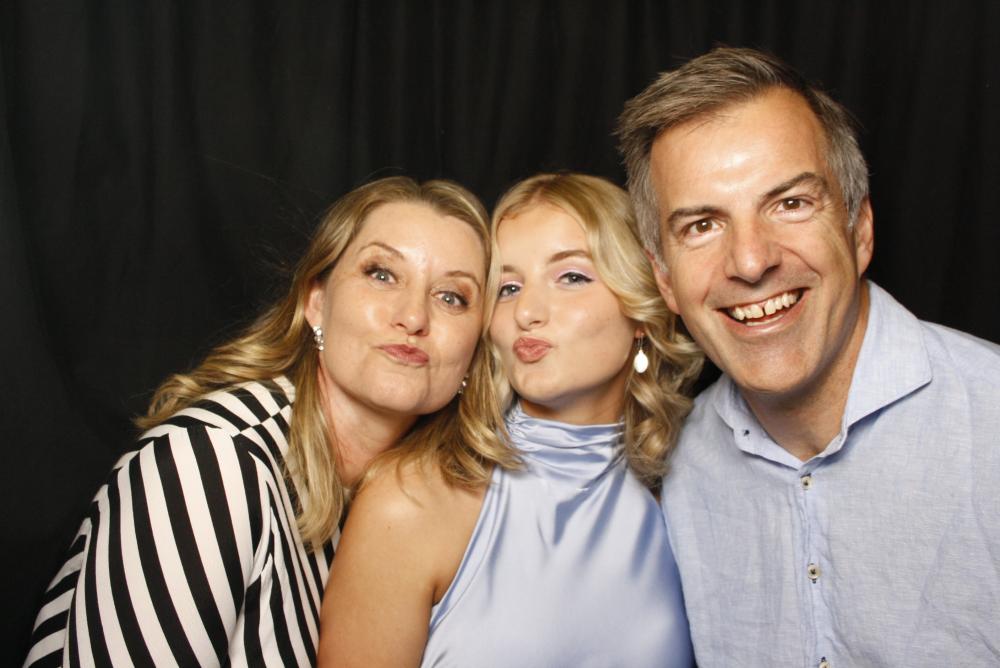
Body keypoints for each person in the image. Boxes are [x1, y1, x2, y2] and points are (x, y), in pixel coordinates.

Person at [24, 176, 514, 666]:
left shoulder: (425, 507)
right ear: (316, 302)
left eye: (452, 297)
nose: (413, 317)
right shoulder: (210, 462)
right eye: (382, 274)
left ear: (475, 351)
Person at [617, 46, 1000, 667]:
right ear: (664, 279)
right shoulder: (672, 471)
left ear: (859, 228)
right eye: (702, 226)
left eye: (790, 203)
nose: (750, 262)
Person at [316, 172, 702, 667]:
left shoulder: (688, 499)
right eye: (509, 287)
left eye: (572, 277)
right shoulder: (413, 499)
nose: (527, 312)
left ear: (642, 308)